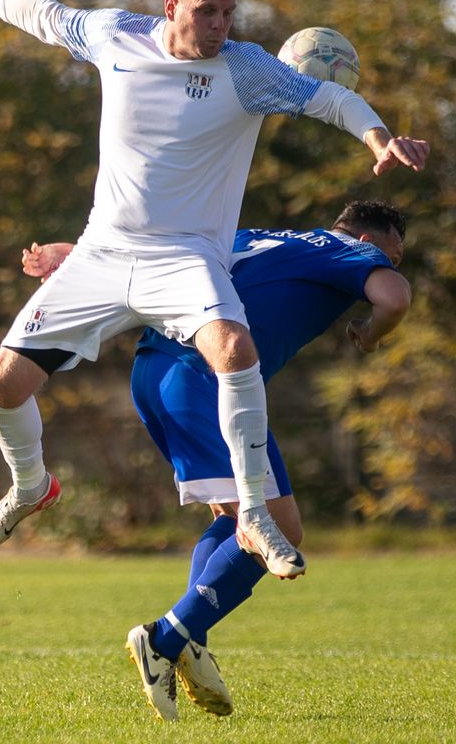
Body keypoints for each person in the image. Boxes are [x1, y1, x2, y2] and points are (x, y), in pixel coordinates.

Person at [0, 0, 429, 582]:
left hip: (186, 257)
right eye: (206, 11)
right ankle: (31, 486)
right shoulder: (115, 35)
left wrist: (378, 137)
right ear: (171, 7)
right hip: (103, 252)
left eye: (228, 11)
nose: (220, 24)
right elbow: (38, 13)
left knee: (235, 348)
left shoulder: (245, 69)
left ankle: (255, 514)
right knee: (0, 384)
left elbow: (330, 98)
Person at [23, 200, 411, 721]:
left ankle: (190, 638)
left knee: (239, 520)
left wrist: (66, 255)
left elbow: (149, 256)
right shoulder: (348, 252)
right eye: (394, 254)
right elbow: (394, 299)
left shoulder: (255, 236)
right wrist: (371, 331)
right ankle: (166, 637)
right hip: (206, 378)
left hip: (168, 375)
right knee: (275, 527)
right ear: (369, 240)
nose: (392, 266)